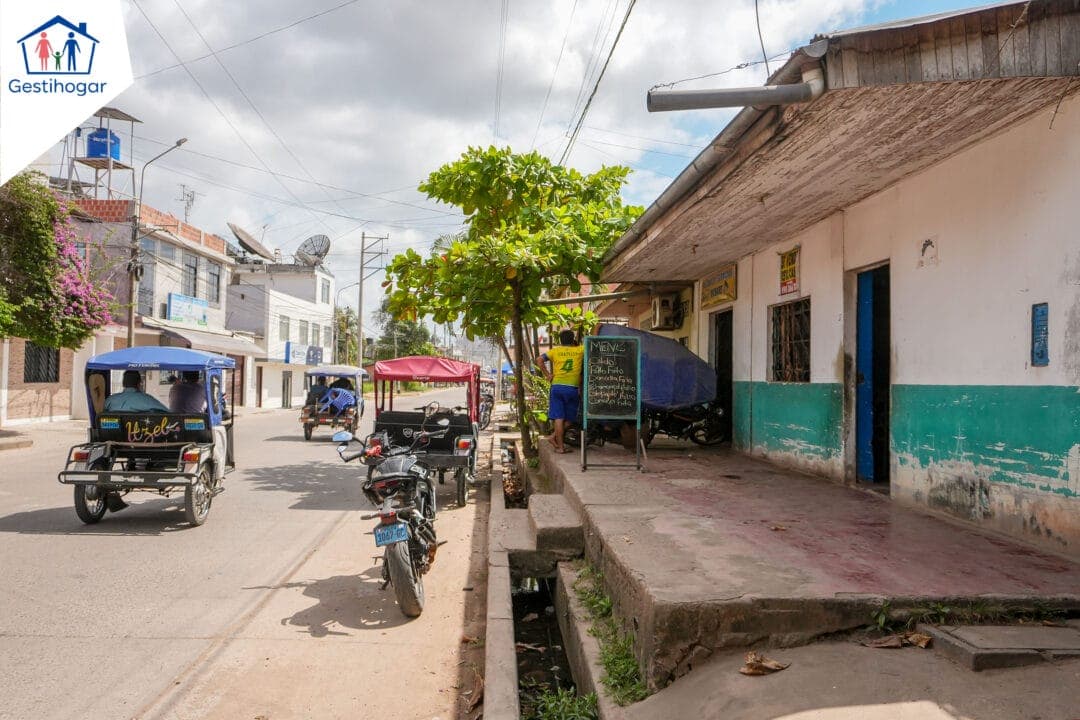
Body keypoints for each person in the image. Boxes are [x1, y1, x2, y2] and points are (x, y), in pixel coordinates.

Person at [535, 329, 583, 453]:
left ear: (560, 341)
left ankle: (558, 444)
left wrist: (548, 375)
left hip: (556, 387)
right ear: (573, 339)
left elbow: (539, 359)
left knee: (558, 418)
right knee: (571, 419)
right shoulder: (580, 350)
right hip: (572, 388)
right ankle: (556, 441)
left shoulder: (555, 351)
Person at [103, 370, 168, 412]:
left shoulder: (110, 400)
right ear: (139, 383)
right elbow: (167, 413)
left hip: (113, 430)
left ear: (123, 383)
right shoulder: (147, 399)